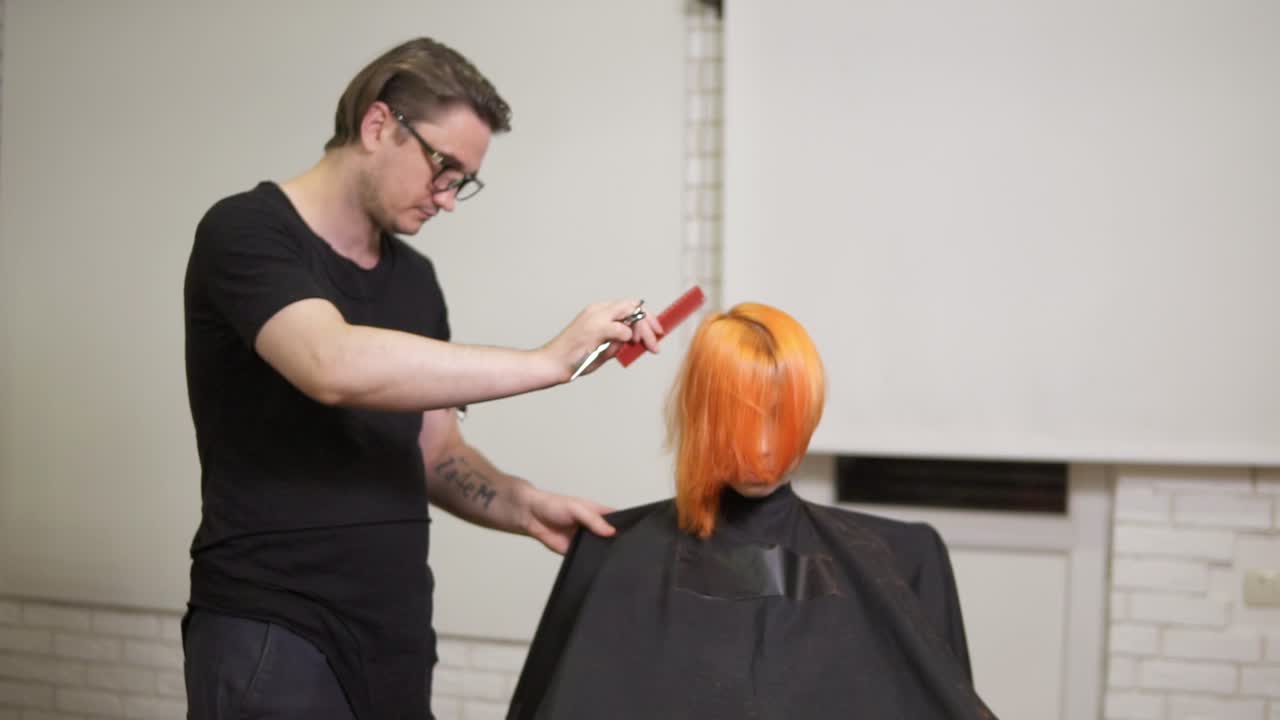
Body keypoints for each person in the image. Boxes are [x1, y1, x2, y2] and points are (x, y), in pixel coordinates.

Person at [181, 37, 663, 720]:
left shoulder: (415, 280)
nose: (450, 199)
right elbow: (330, 364)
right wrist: (547, 362)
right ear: (379, 125)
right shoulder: (247, 231)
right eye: (444, 168)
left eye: (463, 180)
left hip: (394, 633)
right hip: (274, 627)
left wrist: (526, 506)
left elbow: (436, 455)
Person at [507, 303, 998, 720]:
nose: (762, 448)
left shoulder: (906, 557)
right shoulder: (613, 553)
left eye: (780, 419)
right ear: (701, 416)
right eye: (738, 421)